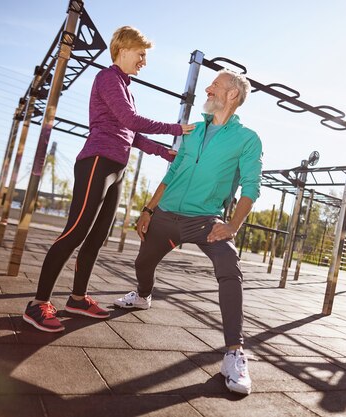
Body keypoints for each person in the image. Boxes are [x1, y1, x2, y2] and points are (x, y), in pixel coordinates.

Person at [23, 26, 194, 333]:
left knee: (97, 237)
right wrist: (176, 128)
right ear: (124, 49)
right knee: (75, 231)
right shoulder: (108, 78)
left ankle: (77, 298)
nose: (144, 61)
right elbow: (130, 120)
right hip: (97, 162)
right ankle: (38, 303)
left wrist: (163, 152)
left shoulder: (126, 87)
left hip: (116, 168)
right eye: (141, 54)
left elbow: (131, 132)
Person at [114, 69, 263, 395]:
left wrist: (232, 225)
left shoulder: (247, 139)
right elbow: (174, 171)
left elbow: (252, 186)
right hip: (167, 214)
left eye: (216, 85)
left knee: (229, 267)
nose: (208, 88)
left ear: (232, 96)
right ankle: (142, 296)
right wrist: (149, 209)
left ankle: (234, 352)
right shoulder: (193, 131)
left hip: (205, 220)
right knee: (143, 265)